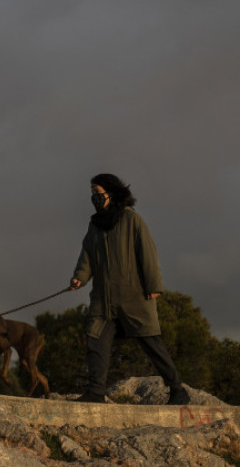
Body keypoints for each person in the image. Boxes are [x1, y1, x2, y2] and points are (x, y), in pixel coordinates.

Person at [69, 173, 189, 405]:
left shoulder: (131, 219)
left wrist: (153, 286)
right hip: (103, 300)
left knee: (152, 344)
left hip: (134, 296)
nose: (94, 197)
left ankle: (177, 390)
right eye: (92, 193)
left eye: (98, 192)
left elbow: (148, 253)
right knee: (95, 342)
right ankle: (96, 392)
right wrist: (79, 278)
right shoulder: (94, 225)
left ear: (111, 193)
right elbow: (87, 256)